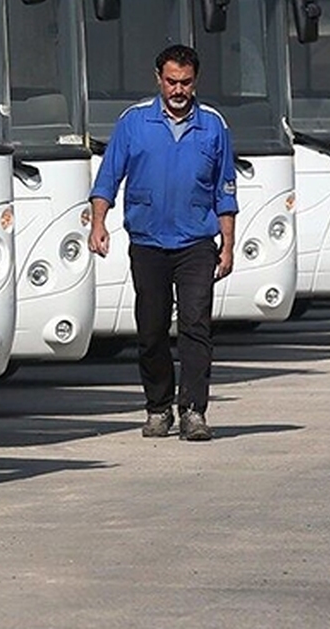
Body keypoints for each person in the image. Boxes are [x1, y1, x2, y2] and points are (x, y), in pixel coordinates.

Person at [88, 44, 237, 441]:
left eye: (185, 82)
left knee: (196, 326)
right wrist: (98, 224)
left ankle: (193, 411)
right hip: (149, 242)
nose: (178, 90)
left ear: (195, 81)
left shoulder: (213, 126)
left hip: (196, 242)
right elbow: (108, 178)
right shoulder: (134, 122)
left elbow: (225, 190)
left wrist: (227, 245)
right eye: (171, 81)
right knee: (152, 329)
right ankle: (158, 407)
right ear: (159, 79)